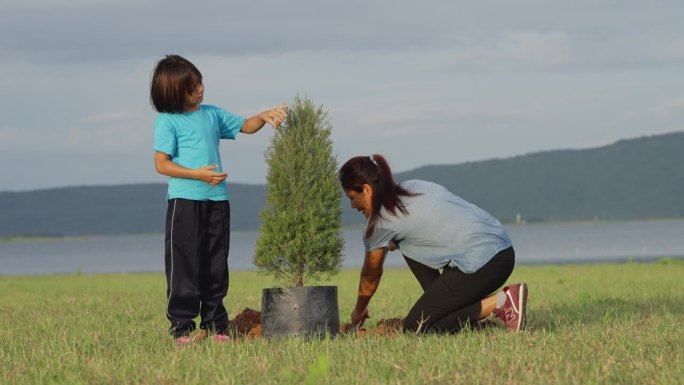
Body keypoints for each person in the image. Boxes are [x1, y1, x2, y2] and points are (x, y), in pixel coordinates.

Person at [150, 54, 287, 346]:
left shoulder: (212, 114)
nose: (200, 89)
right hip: (184, 202)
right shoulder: (167, 122)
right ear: (174, 92)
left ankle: (215, 325)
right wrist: (196, 175)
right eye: (192, 87)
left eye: (199, 82)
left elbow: (245, 126)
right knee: (184, 266)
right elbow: (161, 164)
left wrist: (262, 116)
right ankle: (182, 328)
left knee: (215, 265)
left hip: (217, 201)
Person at [339, 154, 528, 334]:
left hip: (484, 265)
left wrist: (359, 311)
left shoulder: (380, 225)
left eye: (351, 197)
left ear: (366, 190)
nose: (352, 206)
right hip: (503, 250)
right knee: (403, 242)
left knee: (417, 327)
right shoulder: (413, 186)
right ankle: (459, 313)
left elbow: (370, 276)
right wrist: (395, 241)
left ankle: (500, 303)